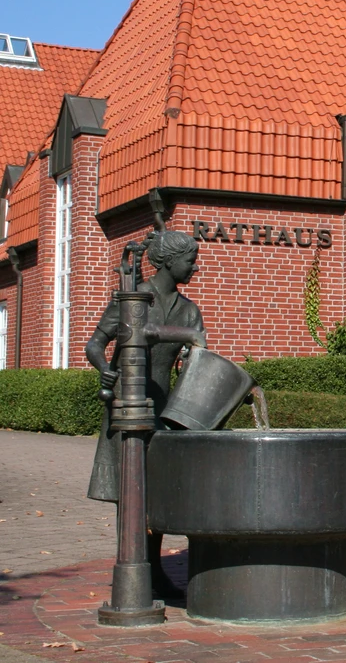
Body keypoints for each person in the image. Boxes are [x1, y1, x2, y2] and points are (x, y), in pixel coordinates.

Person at [85, 229, 205, 598]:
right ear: (169, 261)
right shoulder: (133, 299)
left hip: (164, 410)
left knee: (158, 492)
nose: (194, 267)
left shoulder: (188, 310)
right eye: (189, 260)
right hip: (127, 405)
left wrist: (189, 359)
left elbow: (196, 359)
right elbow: (95, 343)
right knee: (129, 490)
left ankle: (153, 567)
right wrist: (103, 367)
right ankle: (132, 565)